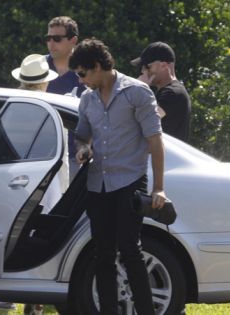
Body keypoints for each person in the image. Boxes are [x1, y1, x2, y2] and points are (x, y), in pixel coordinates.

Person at [70, 38, 168, 315]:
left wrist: (159, 188)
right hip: (97, 184)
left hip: (129, 182)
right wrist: (83, 148)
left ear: (98, 66)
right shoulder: (87, 98)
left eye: (82, 74)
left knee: (129, 250)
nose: (80, 80)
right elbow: (81, 135)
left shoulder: (137, 92)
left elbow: (155, 140)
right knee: (102, 254)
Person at [0, 54, 60, 315]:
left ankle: (8, 294)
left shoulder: (10, 106)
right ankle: (35, 297)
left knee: (12, 239)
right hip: (45, 182)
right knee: (40, 240)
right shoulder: (51, 107)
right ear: (45, 82)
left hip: (12, 182)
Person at [45, 16, 85, 182]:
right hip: (41, 156)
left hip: (77, 157)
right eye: (48, 38)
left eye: (57, 39)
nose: (51, 43)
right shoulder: (38, 67)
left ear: (73, 40)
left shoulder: (87, 71)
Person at [131, 41, 191, 142]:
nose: (143, 71)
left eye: (147, 67)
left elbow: (144, 120)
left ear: (163, 65)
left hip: (167, 157)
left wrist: (138, 89)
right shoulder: (167, 92)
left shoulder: (173, 93)